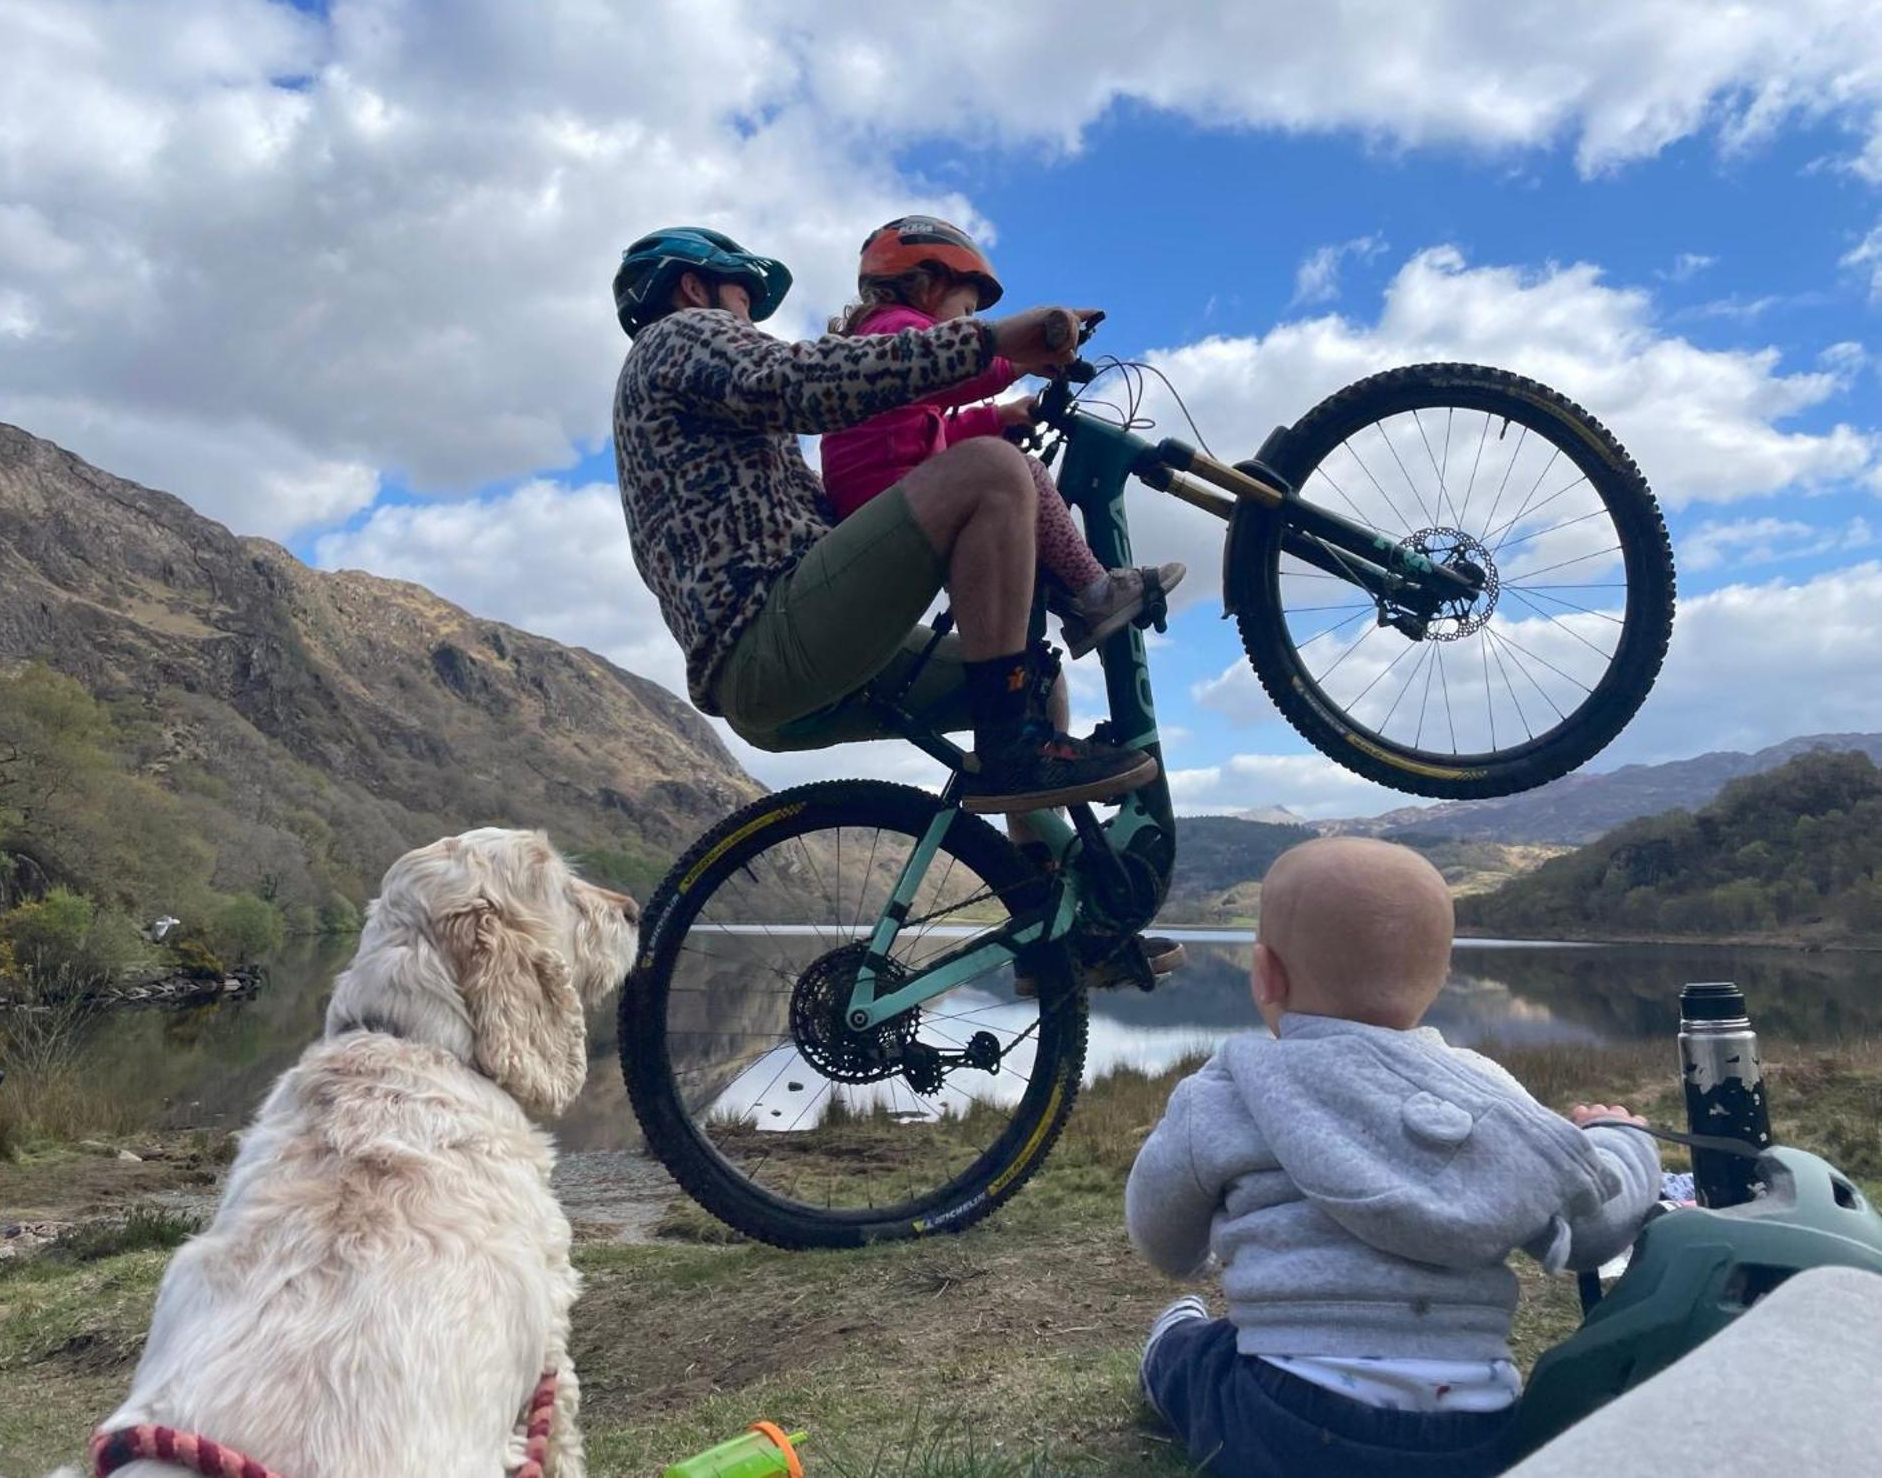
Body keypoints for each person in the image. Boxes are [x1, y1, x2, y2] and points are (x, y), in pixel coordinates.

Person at [611, 225, 1184, 983]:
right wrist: (990, 345)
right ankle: (1012, 753)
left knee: (1035, 686)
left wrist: (981, 527)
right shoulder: (680, 337)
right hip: (768, 637)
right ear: (693, 287)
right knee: (991, 473)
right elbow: (808, 382)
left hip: (781, 666)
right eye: (742, 293)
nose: (748, 314)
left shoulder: (702, 408)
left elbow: (831, 513)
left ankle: (1051, 936)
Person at [1125, 838, 1660, 1478]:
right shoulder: (1483, 1089)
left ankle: (1168, 1350)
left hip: (1282, 1420)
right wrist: (1623, 1142)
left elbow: (1161, 1238)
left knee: (1197, 1354)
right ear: (1441, 978)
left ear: (1265, 972)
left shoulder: (1225, 1089)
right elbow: (1594, 1229)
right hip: (1475, 1430)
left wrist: (1198, 1254)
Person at [819, 216, 1184, 659]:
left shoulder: (887, 345)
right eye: (970, 312)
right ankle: (1095, 592)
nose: (972, 324)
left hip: (886, 509)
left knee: (1004, 489)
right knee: (1020, 473)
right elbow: (954, 362)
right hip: (881, 515)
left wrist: (1000, 417)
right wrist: (1019, 356)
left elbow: (932, 433)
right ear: (926, 284)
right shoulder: (893, 330)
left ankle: (1068, 599)